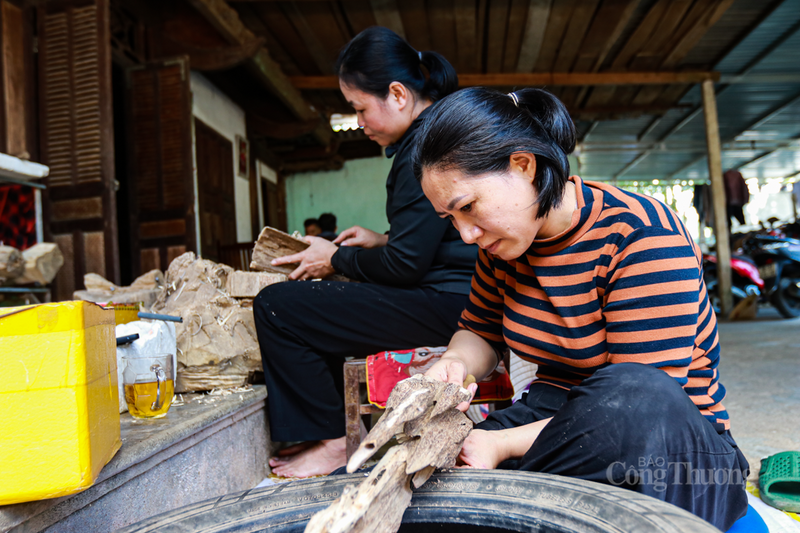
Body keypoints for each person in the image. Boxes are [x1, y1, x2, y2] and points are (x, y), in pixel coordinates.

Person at [413, 87, 749, 532]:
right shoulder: (503, 246)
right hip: (549, 418)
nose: (466, 234)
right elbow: (481, 331)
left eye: (468, 208)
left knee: (634, 391)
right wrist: (453, 363)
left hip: (667, 446)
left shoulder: (641, 233)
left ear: (523, 165)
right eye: (450, 220)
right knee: (401, 485)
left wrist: (500, 445)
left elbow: (636, 404)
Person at [253, 26, 477, 478]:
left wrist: (332, 258)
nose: (358, 122)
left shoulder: (426, 146)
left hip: (451, 306)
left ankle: (335, 441)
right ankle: (327, 430)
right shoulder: (436, 132)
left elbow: (405, 266)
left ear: (397, 94)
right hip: (458, 297)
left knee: (278, 307)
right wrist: (380, 239)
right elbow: (428, 239)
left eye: (359, 108)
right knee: (328, 301)